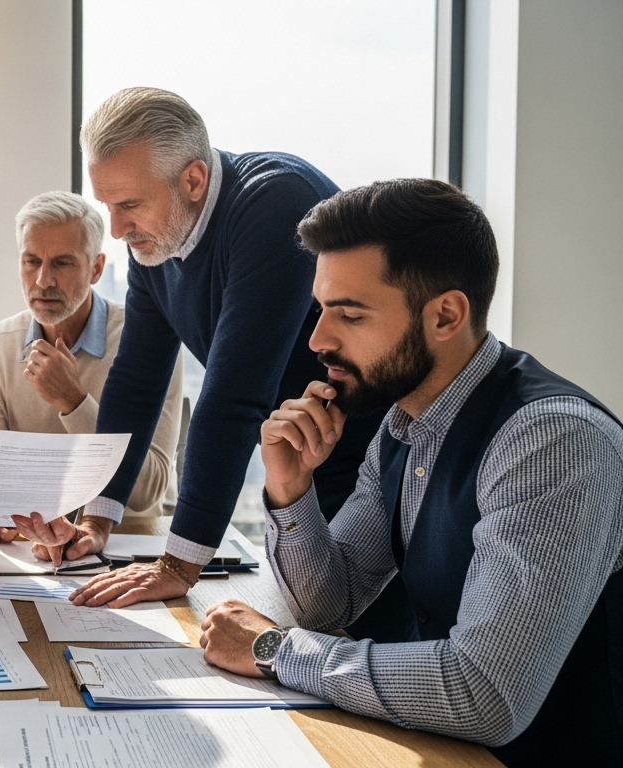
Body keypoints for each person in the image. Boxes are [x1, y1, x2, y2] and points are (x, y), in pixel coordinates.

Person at [197, 179, 623, 764]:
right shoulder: (404, 423)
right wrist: (292, 490)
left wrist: (275, 650)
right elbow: (331, 604)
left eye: (349, 314)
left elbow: (485, 692)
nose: (318, 339)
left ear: (445, 315)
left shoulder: (553, 442)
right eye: (320, 310)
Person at [33, 88, 404, 642]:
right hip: (301, 454)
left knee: (359, 639)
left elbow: (234, 396)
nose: (115, 229)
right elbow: (136, 382)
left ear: (193, 180)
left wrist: (178, 566)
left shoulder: (277, 203)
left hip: (375, 459)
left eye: (129, 205)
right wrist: (97, 519)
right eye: (107, 206)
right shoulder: (156, 244)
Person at [0, 191, 182, 554]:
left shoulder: (148, 343)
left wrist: (74, 401)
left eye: (63, 263)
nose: (43, 280)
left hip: (125, 545)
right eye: (31, 261)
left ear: (96, 268)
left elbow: (148, 490)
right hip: (27, 547)